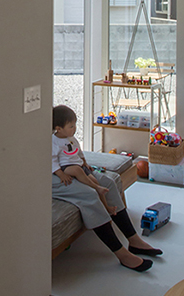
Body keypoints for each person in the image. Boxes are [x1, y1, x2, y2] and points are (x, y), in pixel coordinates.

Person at [52, 104, 160, 271]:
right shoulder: (52, 141)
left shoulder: (67, 136)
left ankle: (134, 240)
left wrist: (84, 163)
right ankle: (122, 255)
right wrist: (60, 172)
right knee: (90, 194)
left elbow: (76, 151)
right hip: (57, 173)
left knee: (108, 182)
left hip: (74, 166)